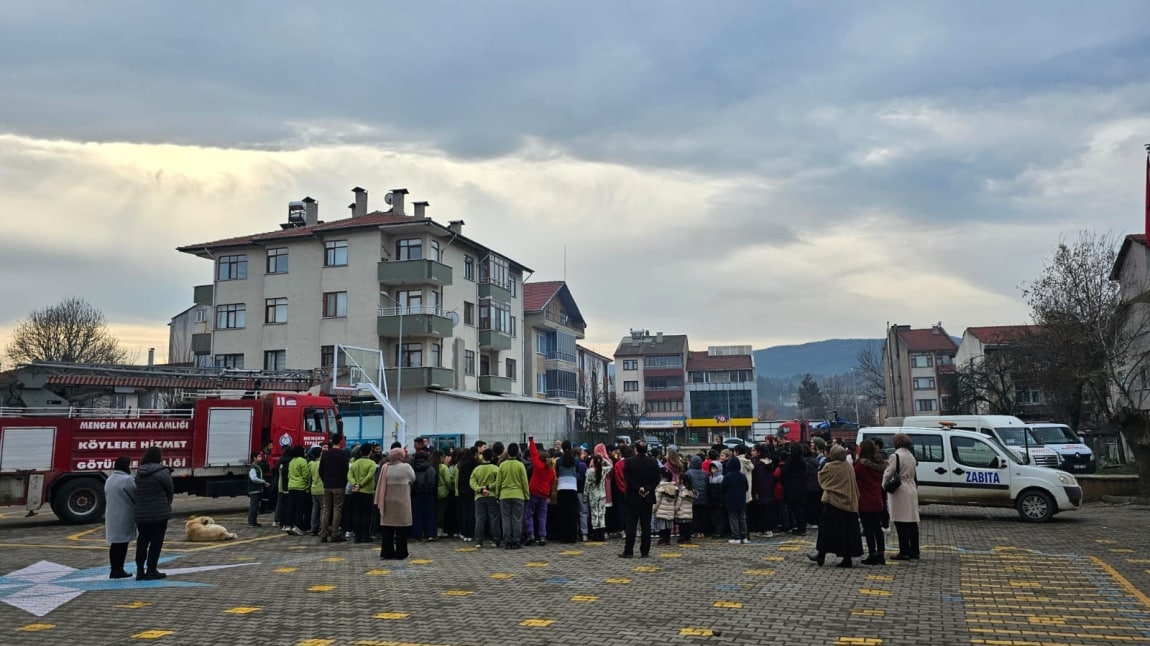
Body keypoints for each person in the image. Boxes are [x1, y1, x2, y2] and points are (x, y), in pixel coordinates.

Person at [808, 445, 864, 567]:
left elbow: (822, 478)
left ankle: (821, 555)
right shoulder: (848, 466)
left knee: (825, 532)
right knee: (847, 533)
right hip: (848, 504)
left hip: (833, 502)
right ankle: (847, 558)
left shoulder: (830, 466)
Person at [134, 446, 174, 580]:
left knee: (142, 541)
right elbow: (170, 490)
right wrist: (167, 504)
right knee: (156, 542)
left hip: (141, 513)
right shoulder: (163, 472)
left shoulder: (140, 472)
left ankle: (139, 571)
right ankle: (151, 570)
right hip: (159, 514)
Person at [620, 440, 660, 558]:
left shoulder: (629, 462)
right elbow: (657, 479)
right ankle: (645, 551)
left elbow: (627, 479)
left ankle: (628, 551)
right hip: (647, 498)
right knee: (646, 526)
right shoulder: (653, 462)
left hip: (633, 497)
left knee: (631, 525)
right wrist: (647, 488)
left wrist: (638, 488)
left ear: (636, 449)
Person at [884, 433, 920, 560]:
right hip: (911, 486)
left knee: (900, 521)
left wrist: (884, 485)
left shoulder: (896, 456)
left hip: (900, 489)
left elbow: (888, 473)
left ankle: (904, 551)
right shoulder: (911, 455)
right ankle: (915, 550)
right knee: (912, 521)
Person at [376, 447, 417, 560]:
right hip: (402, 501)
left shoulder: (385, 467)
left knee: (387, 528)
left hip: (387, 501)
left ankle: (387, 552)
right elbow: (413, 478)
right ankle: (401, 552)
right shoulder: (406, 467)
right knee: (401, 528)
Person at [854, 439, 888, 565]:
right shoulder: (879, 464)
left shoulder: (861, 465)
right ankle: (881, 554)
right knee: (877, 529)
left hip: (865, 500)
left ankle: (872, 554)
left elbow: (854, 476)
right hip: (877, 498)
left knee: (868, 529)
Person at [104, 456, 135, 579]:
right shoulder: (127, 479)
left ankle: (114, 568)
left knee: (115, 543)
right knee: (122, 544)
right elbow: (135, 495)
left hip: (111, 514)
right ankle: (119, 569)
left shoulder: (110, 478)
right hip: (124, 514)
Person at [496, 442, 529, 549]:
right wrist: (526, 495)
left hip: (504, 495)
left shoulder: (502, 465)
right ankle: (516, 540)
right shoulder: (520, 465)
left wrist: (497, 495)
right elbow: (524, 482)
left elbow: (498, 482)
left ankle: (507, 540)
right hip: (518, 494)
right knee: (517, 518)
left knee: (506, 518)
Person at [318, 432, 349, 543]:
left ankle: (323, 534)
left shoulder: (325, 454)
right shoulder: (343, 454)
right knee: (337, 509)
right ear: (340, 441)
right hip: (339, 485)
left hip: (327, 485)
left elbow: (320, 470)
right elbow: (346, 470)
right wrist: (344, 482)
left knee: (326, 509)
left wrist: (325, 480)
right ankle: (335, 533)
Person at [524, 439, 554, 546]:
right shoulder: (551, 471)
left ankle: (531, 534)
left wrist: (531, 440)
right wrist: (549, 495)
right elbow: (551, 484)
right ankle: (542, 536)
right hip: (544, 495)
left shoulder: (538, 466)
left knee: (529, 514)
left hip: (533, 493)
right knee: (542, 516)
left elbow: (533, 452)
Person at [470, 448, 502, 548]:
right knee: (494, 518)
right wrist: (488, 487)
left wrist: (479, 489)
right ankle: (495, 540)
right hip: (492, 496)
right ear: (492, 457)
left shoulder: (477, 469)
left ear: (482, 456)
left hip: (479, 497)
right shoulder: (495, 469)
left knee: (480, 519)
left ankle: (479, 541)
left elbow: (472, 482)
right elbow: (498, 481)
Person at [348, 444, 378, 543]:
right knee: (367, 514)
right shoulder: (372, 463)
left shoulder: (355, 463)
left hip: (355, 491)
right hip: (367, 491)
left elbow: (349, 476)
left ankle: (357, 536)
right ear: (370, 452)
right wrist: (361, 485)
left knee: (357, 513)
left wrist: (355, 484)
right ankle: (365, 535)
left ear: (360, 452)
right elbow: (369, 477)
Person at [555, 440, 581, 544]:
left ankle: (564, 537)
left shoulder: (559, 461)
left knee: (563, 513)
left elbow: (557, 472)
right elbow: (578, 472)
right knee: (573, 513)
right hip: (573, 488)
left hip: (561, 488)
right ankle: (573, 536)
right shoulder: (576, 461)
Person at [781, 442, 809, 535]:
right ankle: (802, 527)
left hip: (792, 488)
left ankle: (800, 528)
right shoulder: (802, 461)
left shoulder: (790, 460)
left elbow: (784, 472)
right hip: (802, 487)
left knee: (796, 508)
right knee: (801, 508)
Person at [410, 449, 437, 541]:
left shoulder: (412, 467)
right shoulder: (430, 468)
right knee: (429, 515)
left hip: (416, 494)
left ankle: (417, 534)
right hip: (428, 495)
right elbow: (432, 482)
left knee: (416, 515)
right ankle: (430, 534)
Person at [722, 453, 749, 544]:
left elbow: (723, 488)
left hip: (730, 500)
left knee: (733, 519)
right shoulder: (742, 476)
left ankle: (736, 537)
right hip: (741, 500)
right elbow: (746, 488)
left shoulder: (727, 476)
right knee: (742, 518)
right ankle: (744, 537)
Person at [585, 452, 608, 542]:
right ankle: (602, 535)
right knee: (602, 514)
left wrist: (585, 496)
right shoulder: (604, 470)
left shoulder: (590, 471)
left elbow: (587, 485)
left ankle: (596, 535)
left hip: (593, 495)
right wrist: (603, 459)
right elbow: (611, 466)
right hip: (602, 494)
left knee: (594, 514)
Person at [653, 468, 678, 546]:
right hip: (670, 510)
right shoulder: (674, 488)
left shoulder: (660, 488)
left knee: (662, 526)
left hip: (661, 510)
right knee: (668, 526)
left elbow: (657, 500)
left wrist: (653, 509)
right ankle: (667, 540)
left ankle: (662, 539)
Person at [247, 452, 268, 528]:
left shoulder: (257, 466)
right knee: (254, 506)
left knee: (256, 507)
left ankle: (254, 521)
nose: (260, 458)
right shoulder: (253, 467)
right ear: (254, 458)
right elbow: (254, 478)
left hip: (258, 489)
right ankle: (251, 522)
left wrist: (263, 483)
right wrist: (263, 481)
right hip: (254, 490)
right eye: (259, 457)